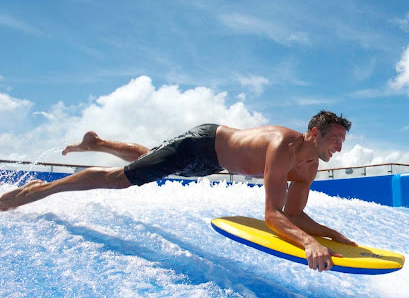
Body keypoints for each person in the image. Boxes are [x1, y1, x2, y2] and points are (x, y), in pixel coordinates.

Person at [0, 111, 354, 272]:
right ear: (312, 134)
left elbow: (294, 215)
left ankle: (98, 142)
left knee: (152, 159)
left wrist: (331, 234)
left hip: (213, 162)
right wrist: (309, 243)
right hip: (202, 144)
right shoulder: (283, 147)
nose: (338, 146)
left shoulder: (309, 167)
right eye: (333, 139)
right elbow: (272, 215)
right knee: (122, 179)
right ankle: (40, 190)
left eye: (342, 141)